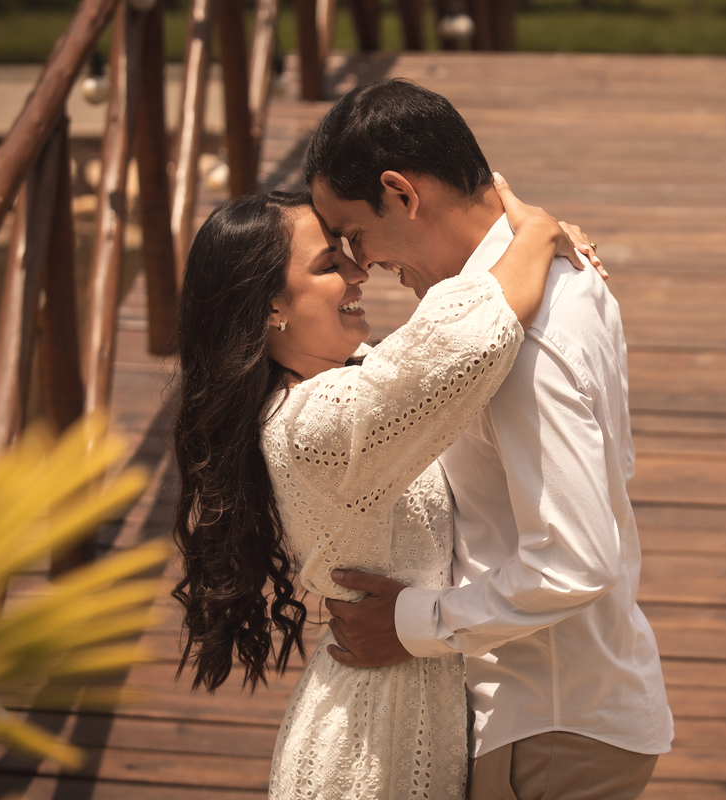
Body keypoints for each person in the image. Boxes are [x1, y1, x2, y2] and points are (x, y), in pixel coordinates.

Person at [306, 79, 674, 800]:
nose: (362, 263)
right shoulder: (553, 274)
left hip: (550, 724)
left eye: (355, 233)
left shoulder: (520, 343)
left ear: (401, 193)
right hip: (567, 708)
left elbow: (573, 561)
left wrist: (407, 624)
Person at [171, 183, 600, 799]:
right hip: (366, 750)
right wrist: (535, 235)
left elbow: (434, 340)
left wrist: (535, 258)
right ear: (270, 308)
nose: (358, 272)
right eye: (329, 264)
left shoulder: (352, 377)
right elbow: (466, 343)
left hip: (404, 709)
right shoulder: (311, 425)